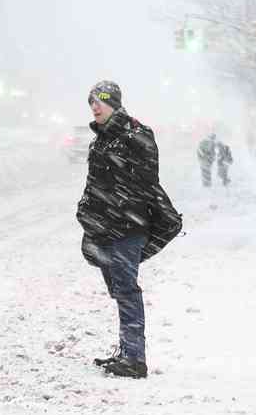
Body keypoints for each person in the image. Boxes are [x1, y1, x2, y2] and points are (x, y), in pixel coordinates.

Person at [77, 81, 182, 379]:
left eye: (100, 101)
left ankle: (135, 358)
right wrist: (86, 207)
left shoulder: (136, 134)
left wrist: (118, 201)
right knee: (118, 289)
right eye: (91, 102)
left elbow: (146, 180)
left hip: (127, 226)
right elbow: (95, 183)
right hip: (105, 226)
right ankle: (126, 350)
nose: (95, 107)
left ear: (114, 104)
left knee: (127, 289)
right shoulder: (100, 141)